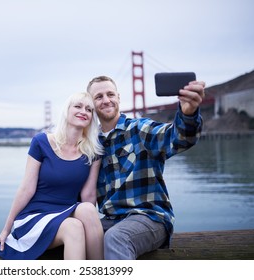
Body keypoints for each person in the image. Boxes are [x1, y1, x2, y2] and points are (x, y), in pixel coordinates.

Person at [86, 75, 205, 259]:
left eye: (110, 94)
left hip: (150, 217)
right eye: (99, 97)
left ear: (118, 97)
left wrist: (188, 113)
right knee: (77, 233)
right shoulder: (92, 145)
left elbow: (178, 138)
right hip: (111, 220)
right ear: (91, 105)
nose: (106, 100)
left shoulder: (140, 129)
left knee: (117, 238)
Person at [0, 92, 104, 260]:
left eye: (89, 109)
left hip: (65, 213)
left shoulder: (93, 151)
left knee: (88, 209)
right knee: (74, 228)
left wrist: (90, 225)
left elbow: (88, 195)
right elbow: (26, 188)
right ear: (66, 111)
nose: (84, 111)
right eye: (78, 106)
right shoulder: (41, 142)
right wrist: (6, 230)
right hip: (35, 216)